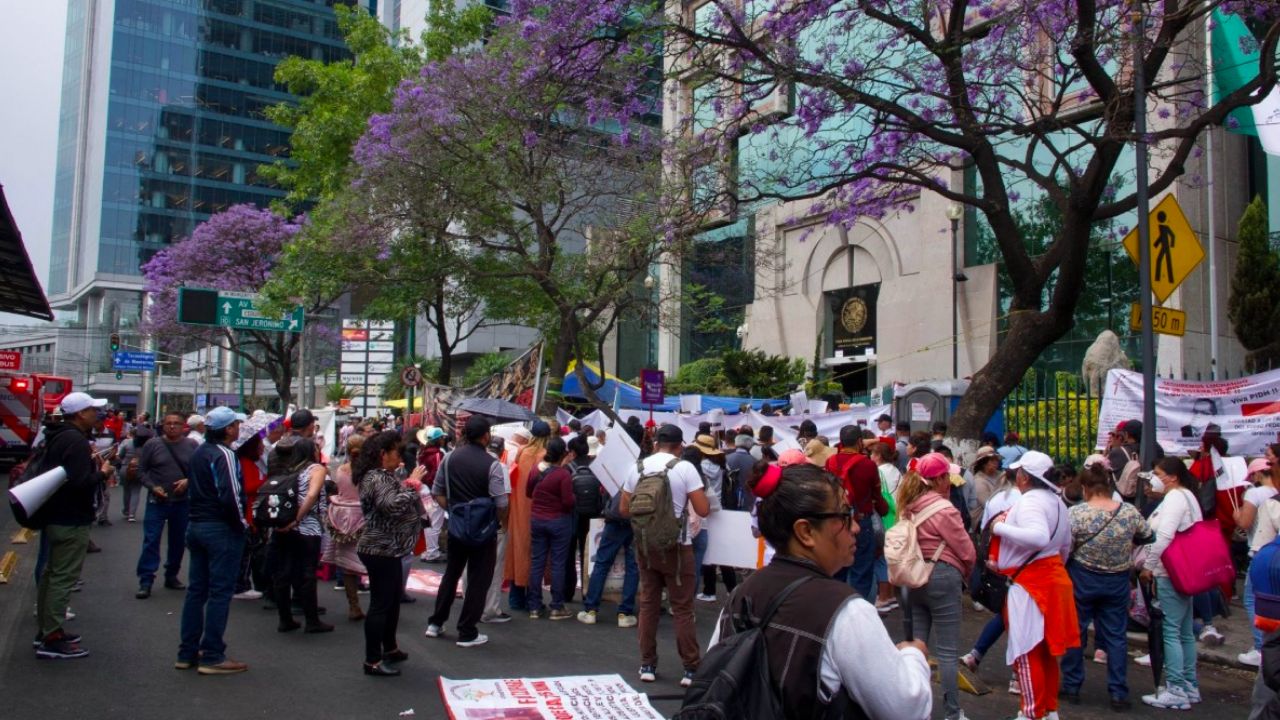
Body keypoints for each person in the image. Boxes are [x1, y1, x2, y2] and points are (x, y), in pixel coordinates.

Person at [707, 462, 933, 719]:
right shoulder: (847, 611)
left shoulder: (740, 594)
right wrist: (914, 655)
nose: (856, 527)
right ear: (806, 531)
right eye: (845, 515)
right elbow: (907, 709)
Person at [620, 423, 709, 687]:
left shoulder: (637, 467)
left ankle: (647, 664)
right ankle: (690, 668)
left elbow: (625, 509)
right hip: (678, 546)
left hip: (646, 546)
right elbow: (703, 509)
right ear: (680, 446)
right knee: (682, 607)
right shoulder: (685, 468)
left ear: (656, 443)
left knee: (648, 604)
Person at [991, 450, 1078, 720]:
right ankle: (1048, 709)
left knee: (1026, 650)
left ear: (1024, 477)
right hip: (1050, 578)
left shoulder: (1030, 503)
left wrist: (999, 528)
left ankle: (1031, 712)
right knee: (1046, 650)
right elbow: (1065, 547)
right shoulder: (1057, 503)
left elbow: (1039, 537)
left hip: (1030, 583)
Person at [1059, 463, 1154, 711]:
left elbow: (1066, 546)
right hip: (1118, 578)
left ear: (1085, 487)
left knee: (1076, 632)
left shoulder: (1077, 513)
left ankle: (1072, 685)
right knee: (1115, 635)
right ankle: (1118, 691)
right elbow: (1147, 536)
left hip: (1083, 577)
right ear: (1109, 486)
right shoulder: (1128, 512)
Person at [28, 392, 112, 659]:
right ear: (79, 414)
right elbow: (78, 482)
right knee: (62, 577)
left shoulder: (57, 435)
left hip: (55, 515)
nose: (96, 414)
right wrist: (103, 473)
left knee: (52, 575)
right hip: (70, 518)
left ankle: (46, 630)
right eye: (91, 410)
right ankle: (52, 637)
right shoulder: (75, 441)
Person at [896, 453, 976, 720]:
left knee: (917, 649)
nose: (950, 483)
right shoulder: (945, 510)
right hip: (942, 575)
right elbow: (966, 550)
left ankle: (918, 711)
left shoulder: (908, 505)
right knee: (948, 653)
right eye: (947, 477)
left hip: (913, 577)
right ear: (940, 478)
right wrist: (965, 574)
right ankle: (953, 713)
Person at [426, 415, 509, 648]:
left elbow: (437, 491)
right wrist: (497, 521)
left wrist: (454, 511)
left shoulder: (449, 458)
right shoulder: (492, 464)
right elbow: (501, 503)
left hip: (457, 525)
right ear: (486, 436)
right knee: (478, 579)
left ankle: (436, 622)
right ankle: (467, 631)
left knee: (451, 573)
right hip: (484, 529)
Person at [178, 406, 249, 675]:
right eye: (235, 425)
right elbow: (230, 494)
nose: (238, 428)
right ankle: (212, 654)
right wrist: (241, 524)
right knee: (220, 593)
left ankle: (187, 651)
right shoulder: (225, 455)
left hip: (196, 525)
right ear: (229, 429)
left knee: (197, 590)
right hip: (220, 529)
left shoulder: (199, 452)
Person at [355, 430, 427, 676]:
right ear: (383, 454)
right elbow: (391, 507)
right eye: (397, 451)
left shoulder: (383, 476)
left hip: (390, 547)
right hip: (381, 548)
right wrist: (413, 484)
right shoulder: (376, 478)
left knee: (391, 602)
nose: (401, 456)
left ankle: (390, 647)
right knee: (381, 604)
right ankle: (372, 660)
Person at [1139, 457, 1206, 709]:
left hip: (1170, 571)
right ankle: (1189, 685)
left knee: (1170, 630)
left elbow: (1165, 534)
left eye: (1158, 473)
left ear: (1172, 476)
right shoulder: (1188, 496)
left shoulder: (1176, 498)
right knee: (1184, 630)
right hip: (1185, 570)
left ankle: (1176, 687)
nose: (1154, 477)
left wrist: (1149, 566)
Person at [268, 438, 333, 634]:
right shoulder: (316, 469)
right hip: (307, 526)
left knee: (284, 573)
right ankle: (312, 620)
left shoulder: (289, 469)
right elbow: (312, 495)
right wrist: (297, 518)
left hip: (284, 527)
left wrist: (287, 521)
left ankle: (285, 618)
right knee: (307, 573)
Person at [578, 436, 640, 628]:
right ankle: (625, 612)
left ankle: (590, 609)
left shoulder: (614, 469)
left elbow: (603, 496)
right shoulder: (641, 470)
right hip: (634, 520)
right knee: (633, 566)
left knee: (602, 562)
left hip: (613, 520)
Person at [135, 412, 197, 599]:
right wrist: (153, 487)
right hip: (157, 501)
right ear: (163, 425)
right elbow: (141, 471)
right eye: (168, 423)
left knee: (178, 541)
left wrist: (187, 481)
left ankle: (172, 574)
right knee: (151, 540)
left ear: (183, 426)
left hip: (182, 502)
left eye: (176, 423)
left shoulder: (192, 445)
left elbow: (199, 470)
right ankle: (146, 580)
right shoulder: (152, 444)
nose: (172, 426)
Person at [825, 425, 886, 599]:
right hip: (862, 521)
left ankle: (837, 607)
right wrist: (883, 509)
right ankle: (859, 612)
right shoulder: (867, 464)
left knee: (837, 569)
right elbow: (876, 495)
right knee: (862, 572)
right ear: (860, 441)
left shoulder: (831, 461)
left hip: (837, 521)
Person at [525, 437, 576, 620]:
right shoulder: (563, 475)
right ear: (563, 453)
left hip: (537, 519)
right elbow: (568, 502)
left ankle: (534, 606)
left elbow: (529, 492)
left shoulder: (535, 469)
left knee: (537, 562)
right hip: (559, 521)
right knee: (557, 563)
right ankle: (557, 606)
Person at [324, 432, 369, 622]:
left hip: (343, 519)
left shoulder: (341, 470)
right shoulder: (370, 471)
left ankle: (353, 605)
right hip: (365, 517)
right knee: (374, 561)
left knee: (348, 564)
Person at [1241, 451, 1280, 667]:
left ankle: (1260, 649)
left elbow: (1259, 543)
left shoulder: (1268, 502)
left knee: (1253, 600)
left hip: (1267, 564)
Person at [506, 420, 550, 611]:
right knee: (537, 554)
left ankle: (516, 599)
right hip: (538, 509)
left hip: (517, 507)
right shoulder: (545, 456)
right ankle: (534, 600)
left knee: (518, 550)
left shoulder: (522, 452)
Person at [693, 433, 736, 602]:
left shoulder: (701, 466)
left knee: (708, 553)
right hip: (720, 509)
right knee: (721, 551)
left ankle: (709, 590)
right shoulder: (721, 463)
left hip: (705, 510)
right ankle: (731, 588)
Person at [232, 434, 267, 601]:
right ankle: (240, 585)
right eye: (259, 444)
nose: (262, 447)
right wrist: (267, 482)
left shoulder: (252, 462)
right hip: (248, 513)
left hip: (253, 511)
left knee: (249, 552)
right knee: (246, 553)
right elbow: (247, 487)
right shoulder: (245, 463)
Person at [416, 427, 448, 563]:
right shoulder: (437, 454)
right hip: (432, 492)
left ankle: (430, 550)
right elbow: (437, 475)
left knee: (428, 522)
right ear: (438, 439)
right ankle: (433, 552)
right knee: (435, 522)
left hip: (423, 490)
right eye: (442, 438)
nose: (443, 440)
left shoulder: (422, 452)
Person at [117, 425, 150, 522]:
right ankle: (132, 514)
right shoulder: (147, 446)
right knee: (136, 491)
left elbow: (120, 455)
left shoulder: (127, 443)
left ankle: (126, 510)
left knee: (126, 490)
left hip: (125, 468)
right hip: (139, 469)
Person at [969, 446, 1002, 527]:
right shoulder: (979, 481)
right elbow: (988, 505)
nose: (996, 462)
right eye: (992, 460)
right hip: (982, 520)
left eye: (996, 459)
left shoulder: (1000, 475)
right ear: (983, 463)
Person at [724, 433, 757, 511]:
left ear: (736, 443)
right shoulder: (754, 461)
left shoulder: (726, 458)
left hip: (728, 501)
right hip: (748, 502)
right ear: (750, 446)